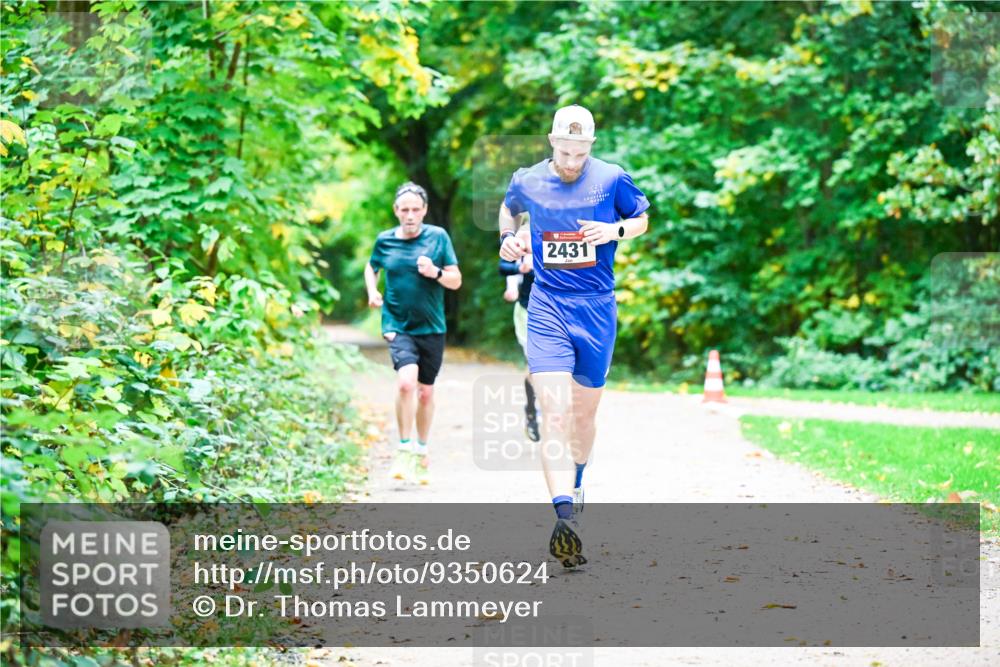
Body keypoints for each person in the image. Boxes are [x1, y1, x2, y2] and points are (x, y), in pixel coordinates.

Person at [498, 105, 650, 568]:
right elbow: (509, 212)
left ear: (591, 147)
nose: (571, 161)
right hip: (547, 306)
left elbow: (642, 219)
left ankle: (577, 483)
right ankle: (564, 518)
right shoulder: (527, 179)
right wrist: (509, 239)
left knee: (584, 416)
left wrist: (614, 230)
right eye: (564, 150)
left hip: (598, 308)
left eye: (579, 152)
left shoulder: (611, 178)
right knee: (556, 414)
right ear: (551, 141)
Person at [365, 181, 462, 485]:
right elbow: (372, 267)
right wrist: (372, 291)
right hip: (397, 323)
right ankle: (404, 448)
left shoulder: (438, 238)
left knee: (425, 391)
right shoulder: (384, 241)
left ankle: (421, 448)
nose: (409, 215)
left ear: (424, 211)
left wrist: (435, 272)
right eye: (404, 210)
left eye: (415, 210)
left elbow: (456, 281)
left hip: (432, 326)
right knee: (406, 383)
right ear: (396, 211)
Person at [498, 223, 540, 442]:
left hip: (559, 309)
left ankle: (556, 413)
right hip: (527, 310)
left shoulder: (561, 230)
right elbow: (504, 266)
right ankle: (532, 413)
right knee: (535, 365)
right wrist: (517, 274)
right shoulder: (522, 232)